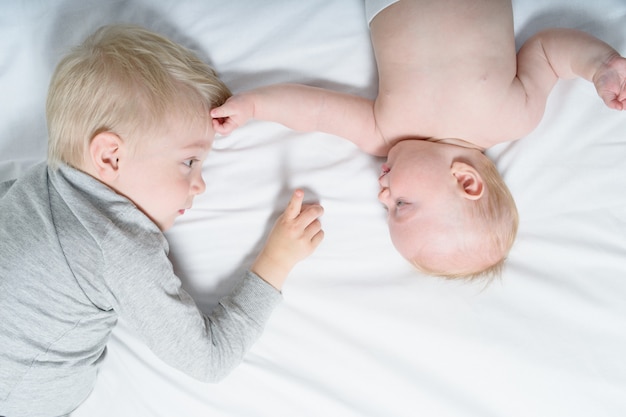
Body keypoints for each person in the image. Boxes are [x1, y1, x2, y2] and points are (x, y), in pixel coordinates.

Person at [0, 24, 324, 417]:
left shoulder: (34, 184)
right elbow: (209, 360)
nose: (200, 184)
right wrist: (277, 259)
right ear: (110, 158)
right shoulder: (117, 247)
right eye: (189, 162)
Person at [210, 0, 626, 279]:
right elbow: (550, 52)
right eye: (401, 205)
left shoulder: (383, 134)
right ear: (466, 182)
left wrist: (254, 107)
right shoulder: (514, 116)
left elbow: (316, 111)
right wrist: (597, 65)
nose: (382, 195)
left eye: (387, 208)